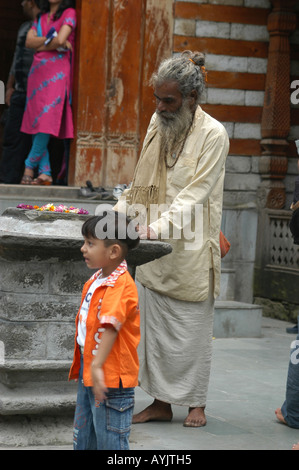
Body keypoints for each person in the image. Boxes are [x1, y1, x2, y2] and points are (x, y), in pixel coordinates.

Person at [115, 50, 230, 427]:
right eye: (157, 99)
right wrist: (116, 215)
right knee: (156, 332)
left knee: (192, 329)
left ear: (192, 98)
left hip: (192, 245)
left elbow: (194, 194)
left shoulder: (214, 135)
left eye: (170, 100)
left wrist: (156, 229)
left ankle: (196, 403)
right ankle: (161, 403)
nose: (161, 107)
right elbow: (140, 182)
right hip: (154, 244)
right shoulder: (157, 122)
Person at [68, 211, 140, 450]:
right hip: (92, 374)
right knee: (84, 437)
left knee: (111, 444)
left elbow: (110, 325)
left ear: (113, 252)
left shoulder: (121, 285)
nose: (83, 248)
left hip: (110, 379)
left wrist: (97, 365)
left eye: (90, 243)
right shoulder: (97, 280)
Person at [20, 0, 76, 185]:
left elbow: (61, 39)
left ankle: (29, 166)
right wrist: (52, 42)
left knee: (47, 120)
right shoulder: (40, 17)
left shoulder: (69, 13)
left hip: (58, 73)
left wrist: (41, 44)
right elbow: (29, 41)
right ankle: (45, 172)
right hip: (38, 73)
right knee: (37, 121)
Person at [0, 0, 40, 184]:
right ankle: (8, 181)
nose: (21, 4)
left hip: (40, 94)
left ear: (32, 3)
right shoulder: (25, 28)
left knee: (39, 137)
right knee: (13, 137)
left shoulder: (48, 26)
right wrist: (9, 86)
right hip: (21, 92)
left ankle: (38, 177)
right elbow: (17, 59)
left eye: (24, 1)